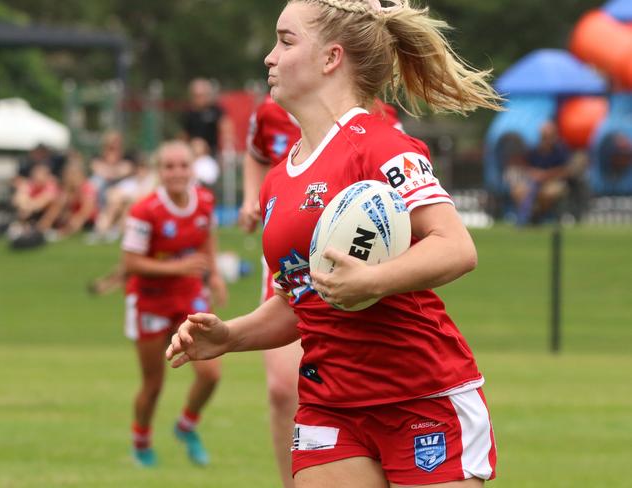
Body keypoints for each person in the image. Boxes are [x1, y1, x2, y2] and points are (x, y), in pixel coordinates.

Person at [168, 1, 501, 486]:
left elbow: (455, 246)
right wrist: (231, 336)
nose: (269, 57)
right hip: (330, 404)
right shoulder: (279, 180)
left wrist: (373, 280)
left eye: (285, 41)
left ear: (331, 58)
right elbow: (302, 299)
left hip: (420, 393)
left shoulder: (381, 146)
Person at [239, 93, 402, 488]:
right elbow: (257, 155)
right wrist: (250, 198)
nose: (272, 58)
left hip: (349, 257)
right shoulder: (269, 112)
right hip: (289, 256)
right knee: (282, 386)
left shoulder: (377, 121)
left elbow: (396, 202)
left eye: (287, 41)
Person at [122, 140, 227, 467]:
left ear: (192, 169)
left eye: (183, 165)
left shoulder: (205, 201)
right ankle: (141, 441)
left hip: (189, 297)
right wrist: (177, 267)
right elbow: (130, 263)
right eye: (169, 166)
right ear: (160, 171)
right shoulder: (144, 210)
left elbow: (207, 237)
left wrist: (215, 275)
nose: (177, 172)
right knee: (153, 384)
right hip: (150, 302)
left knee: (210, 374)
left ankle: (186, 426)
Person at [506, 121, 586, 225]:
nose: (546, 139)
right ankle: (526, 216)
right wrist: (535, 174)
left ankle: (537, 215)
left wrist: (546, 175)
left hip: (554, 182)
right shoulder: (534, 151)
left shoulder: (561, 151)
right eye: (544, 136)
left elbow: (567, 170)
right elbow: (525, 166)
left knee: (549, 193)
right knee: (518, 191)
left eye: (548, 136)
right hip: (534, 183)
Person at [36, 153, 97, 240]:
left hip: (88, 221)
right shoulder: (68, 189)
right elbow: (60, 206)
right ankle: (40, 229)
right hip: (73, 217)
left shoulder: (87, 187)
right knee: (56, 206)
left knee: (74, 220)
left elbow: (86, 211)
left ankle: (59, 233)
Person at [179, 78, 236, 158]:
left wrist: (227, 144)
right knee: (197, 144)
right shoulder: (188, 113)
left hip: (212, 150)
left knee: (199, 145)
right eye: (196, 95)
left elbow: (226, 126)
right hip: (193, 150)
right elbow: (184, 135)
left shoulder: (215, 110)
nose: (199, 99)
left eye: (201, 95)